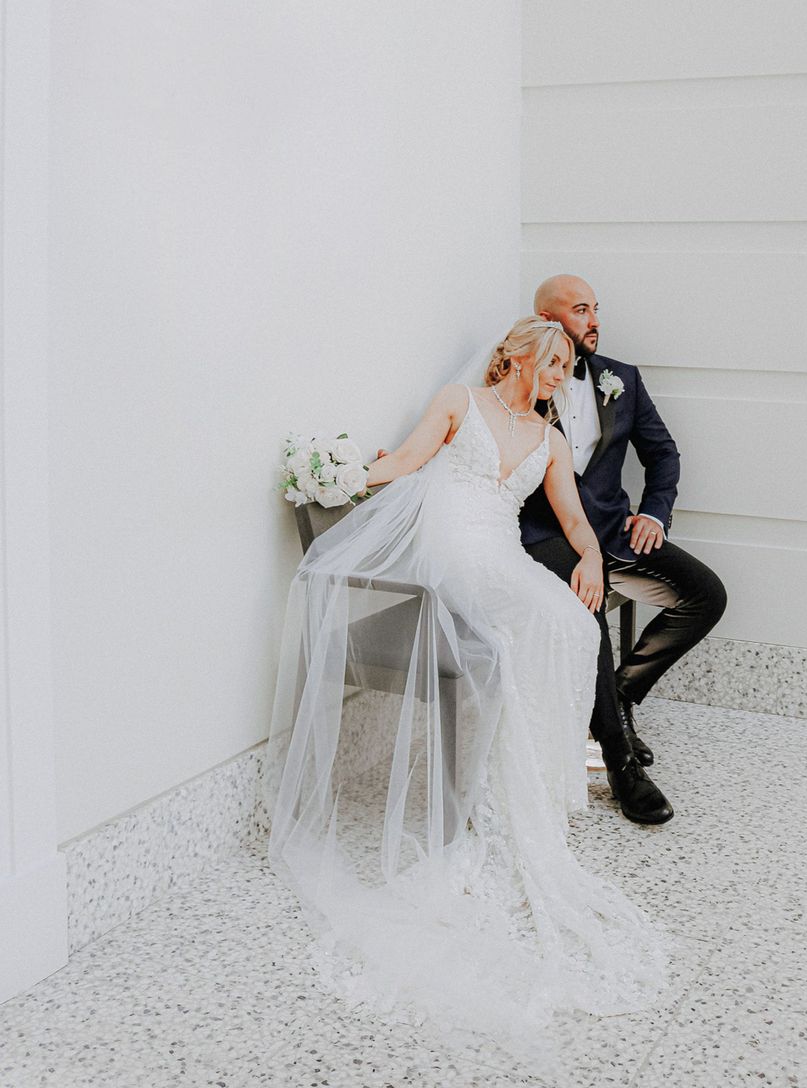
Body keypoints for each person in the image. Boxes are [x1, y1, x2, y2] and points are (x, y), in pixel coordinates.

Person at [264, 316, 673, 1062]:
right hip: (446, 551)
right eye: (552, 364)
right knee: (519, 632)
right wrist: (345, 474)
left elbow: (577, 520)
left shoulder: (547, 439)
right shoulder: (460, 401)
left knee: (574, 628)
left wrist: (591, 563)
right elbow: (411, 460)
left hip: (501, 556)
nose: (559, 378)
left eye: (564, 370)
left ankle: (536, 781)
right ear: (518, 356)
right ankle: (494, 786)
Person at [522, 275, 728, 825]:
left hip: (615, 531)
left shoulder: (622, 378)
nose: (594, 320)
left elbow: (663, 455)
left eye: (596, 309)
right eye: (581, 309)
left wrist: (655, 513)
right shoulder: (524, 377)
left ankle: (616, 700)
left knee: (706, 595)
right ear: (547, 319)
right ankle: (620, 768)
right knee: (589, 614)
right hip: (548, 537)